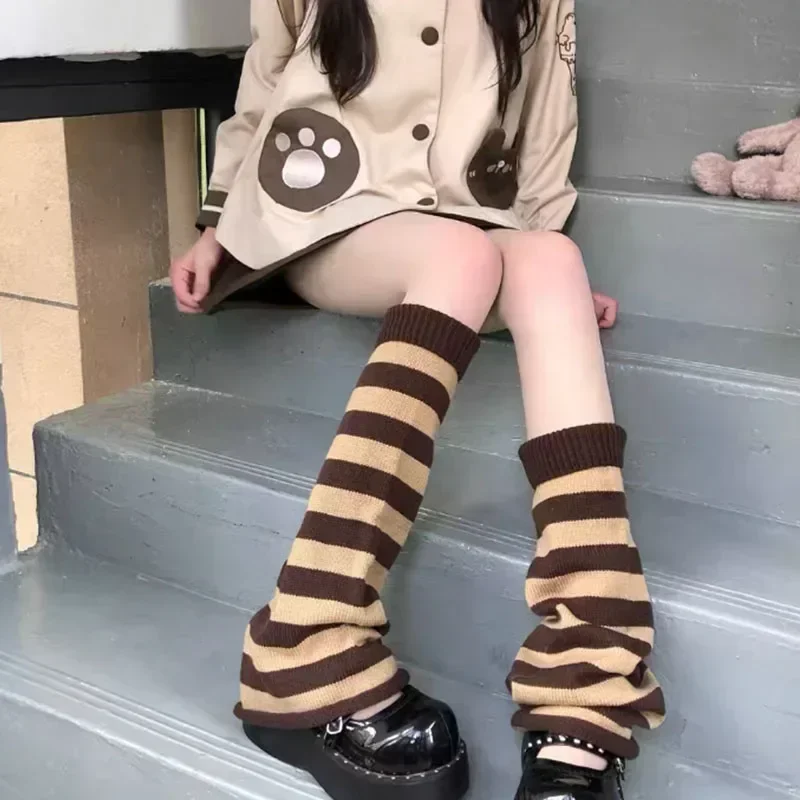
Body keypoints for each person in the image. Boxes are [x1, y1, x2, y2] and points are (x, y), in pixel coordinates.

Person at [170, 1, 666, 798]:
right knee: (464, 259)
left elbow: (546, 109)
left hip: (463, 217)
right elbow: (267, 71)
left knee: (553, 267)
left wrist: (540, 251)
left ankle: (588, 684)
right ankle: (305, 634)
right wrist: (219, 217)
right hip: (320, 215)